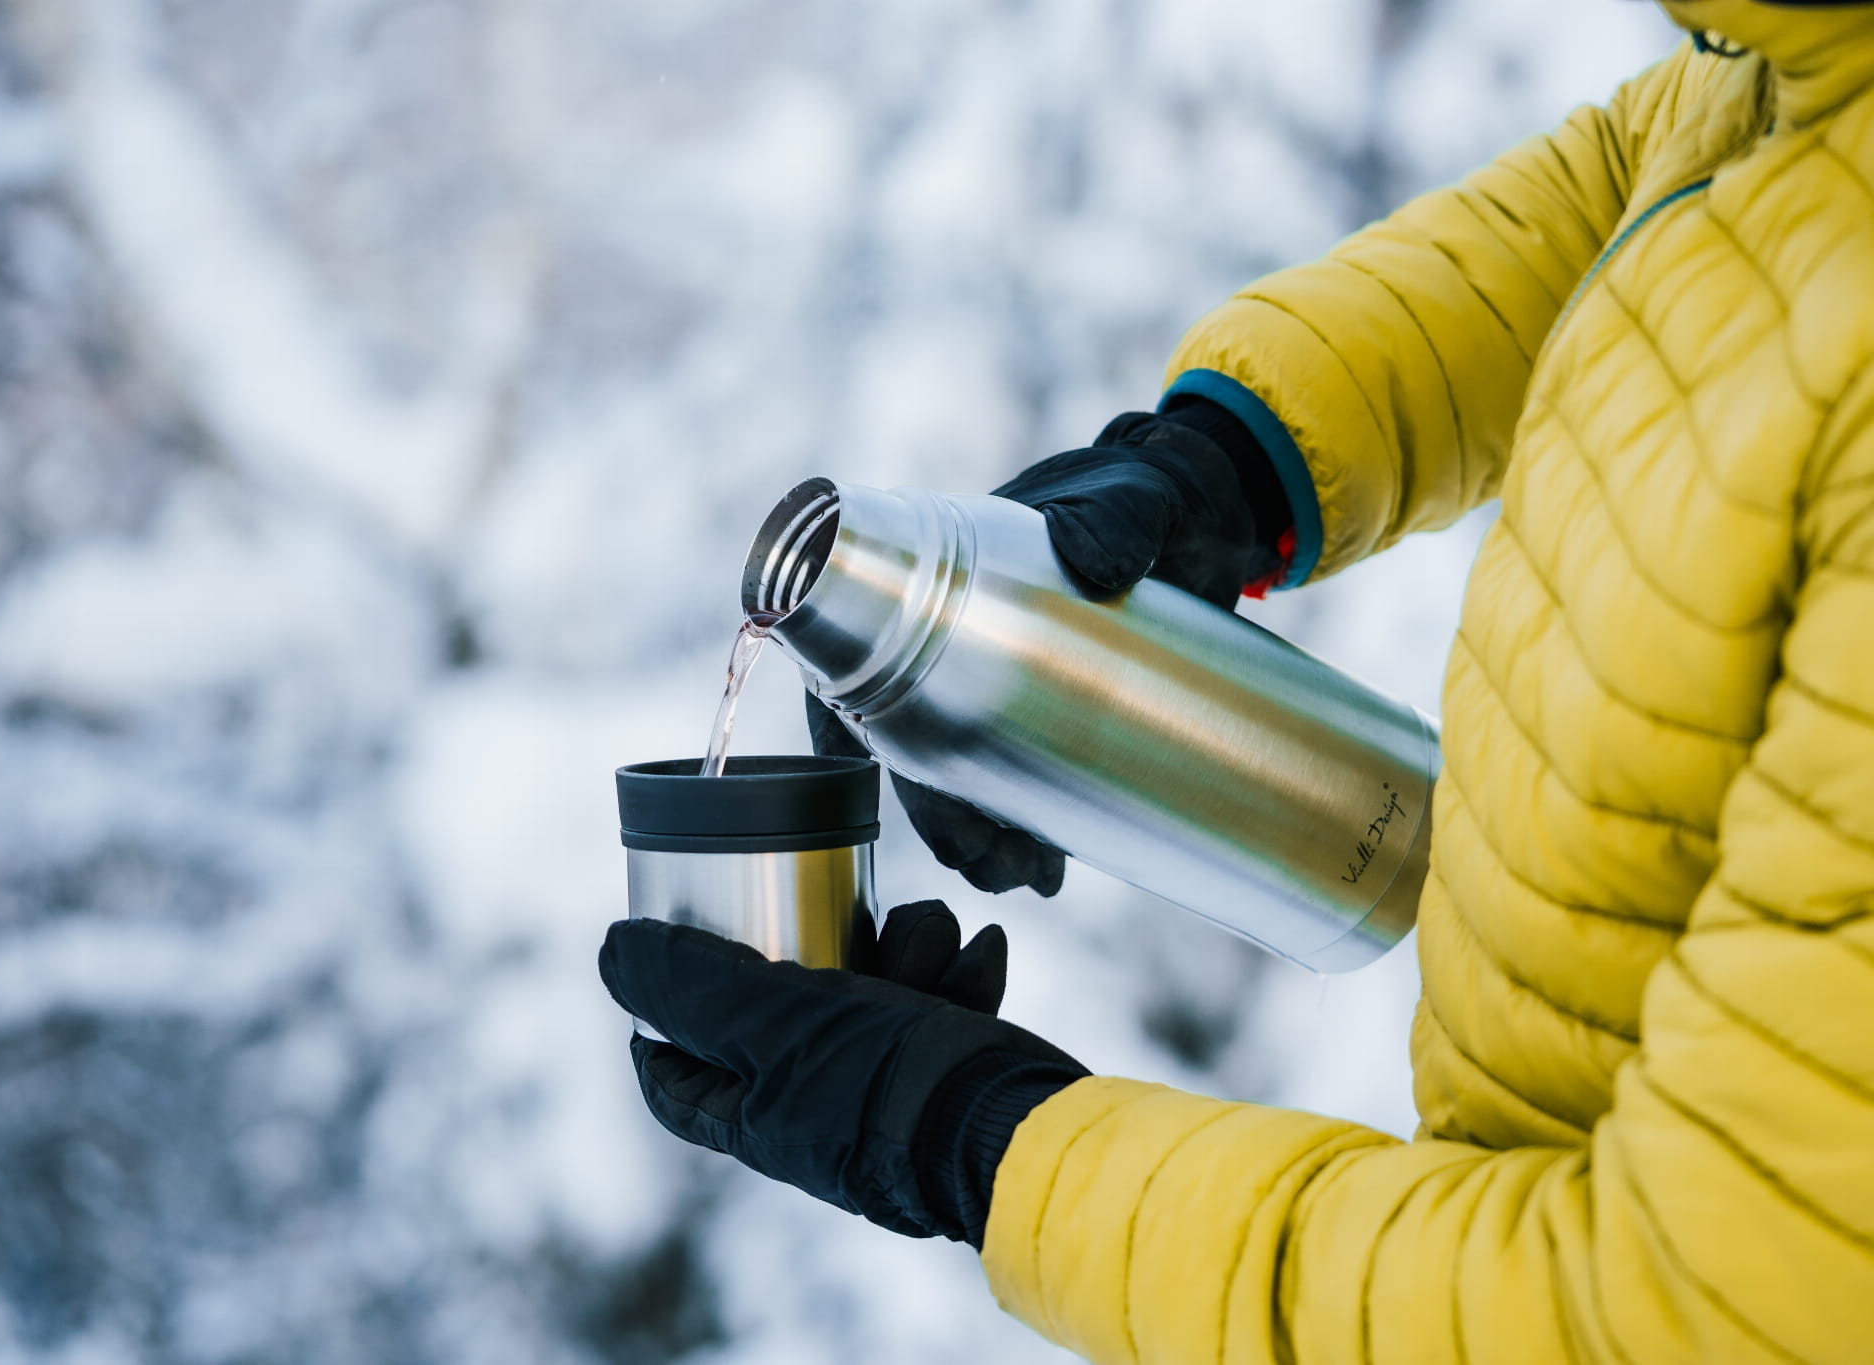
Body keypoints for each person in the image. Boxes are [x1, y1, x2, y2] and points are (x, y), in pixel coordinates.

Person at [599, 1, 1874, 1359]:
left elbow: (1680, 1315)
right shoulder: (1803, 53)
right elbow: (1679, 176)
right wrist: (1238, 455)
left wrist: (986, 1144)